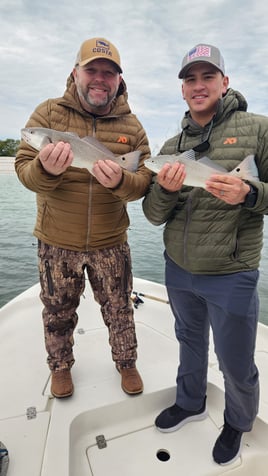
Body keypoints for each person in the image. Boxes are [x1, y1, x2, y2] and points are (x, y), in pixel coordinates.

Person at [143, 43, 268, 465]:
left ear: (225, 82)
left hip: (230, 273)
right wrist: (165, 187)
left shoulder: (259, 129)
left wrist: (251, 193)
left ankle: (237, 421)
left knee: (235, 361)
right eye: (190, 79)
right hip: (178, 270)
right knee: (189, 344)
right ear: (182, 90)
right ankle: (191, 401)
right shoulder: (172, 144)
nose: (198, 86)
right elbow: (153, 215)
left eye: (207, 76)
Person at [15, 37, 152, 398]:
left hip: (111, 242)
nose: (99, 78)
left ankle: (126, 362)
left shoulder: (133, 127)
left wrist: (122, 181)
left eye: (109, 73)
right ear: (76, 72)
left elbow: (143, 183)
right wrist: (46, 170)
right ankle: (60, 369)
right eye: (92, 69)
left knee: (120, 309)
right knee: (57, 313)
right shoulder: (47, 114)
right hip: (56, 241)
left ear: (119, 81)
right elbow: (23, 170)